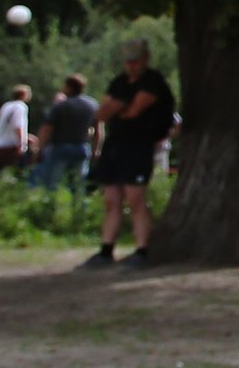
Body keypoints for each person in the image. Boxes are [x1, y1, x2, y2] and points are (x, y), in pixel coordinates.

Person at [81, 39, 178, 269]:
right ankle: (106, 250)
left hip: (138, 145)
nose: (131, 66)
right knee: (111, 198)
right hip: (115, 144)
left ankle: (142, 249)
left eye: (136, 61)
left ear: (145, 59)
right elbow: (103, 113)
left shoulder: (153, 82)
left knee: (136, 199)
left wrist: (118, 107)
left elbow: (134, 110)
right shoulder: (119, 82)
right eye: (128, 61)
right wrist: (118, 108)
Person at [36, 74, 97, 192]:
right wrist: (96, 150)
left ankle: (52, 207)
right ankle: (78, 207)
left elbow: (47, 129)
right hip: (82, 147)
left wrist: (39, 148)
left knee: (52, 183)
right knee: (79, 184)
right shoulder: (92, 105)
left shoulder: (60, 106)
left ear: (68, 87)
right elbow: (98, 130)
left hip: (60, 147)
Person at [0, 84, 33, 177]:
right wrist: (21, 144)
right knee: (21, 172)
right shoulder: (21, 107)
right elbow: (18, 126)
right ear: (23, 95)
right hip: (11, 146)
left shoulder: (6, 106)